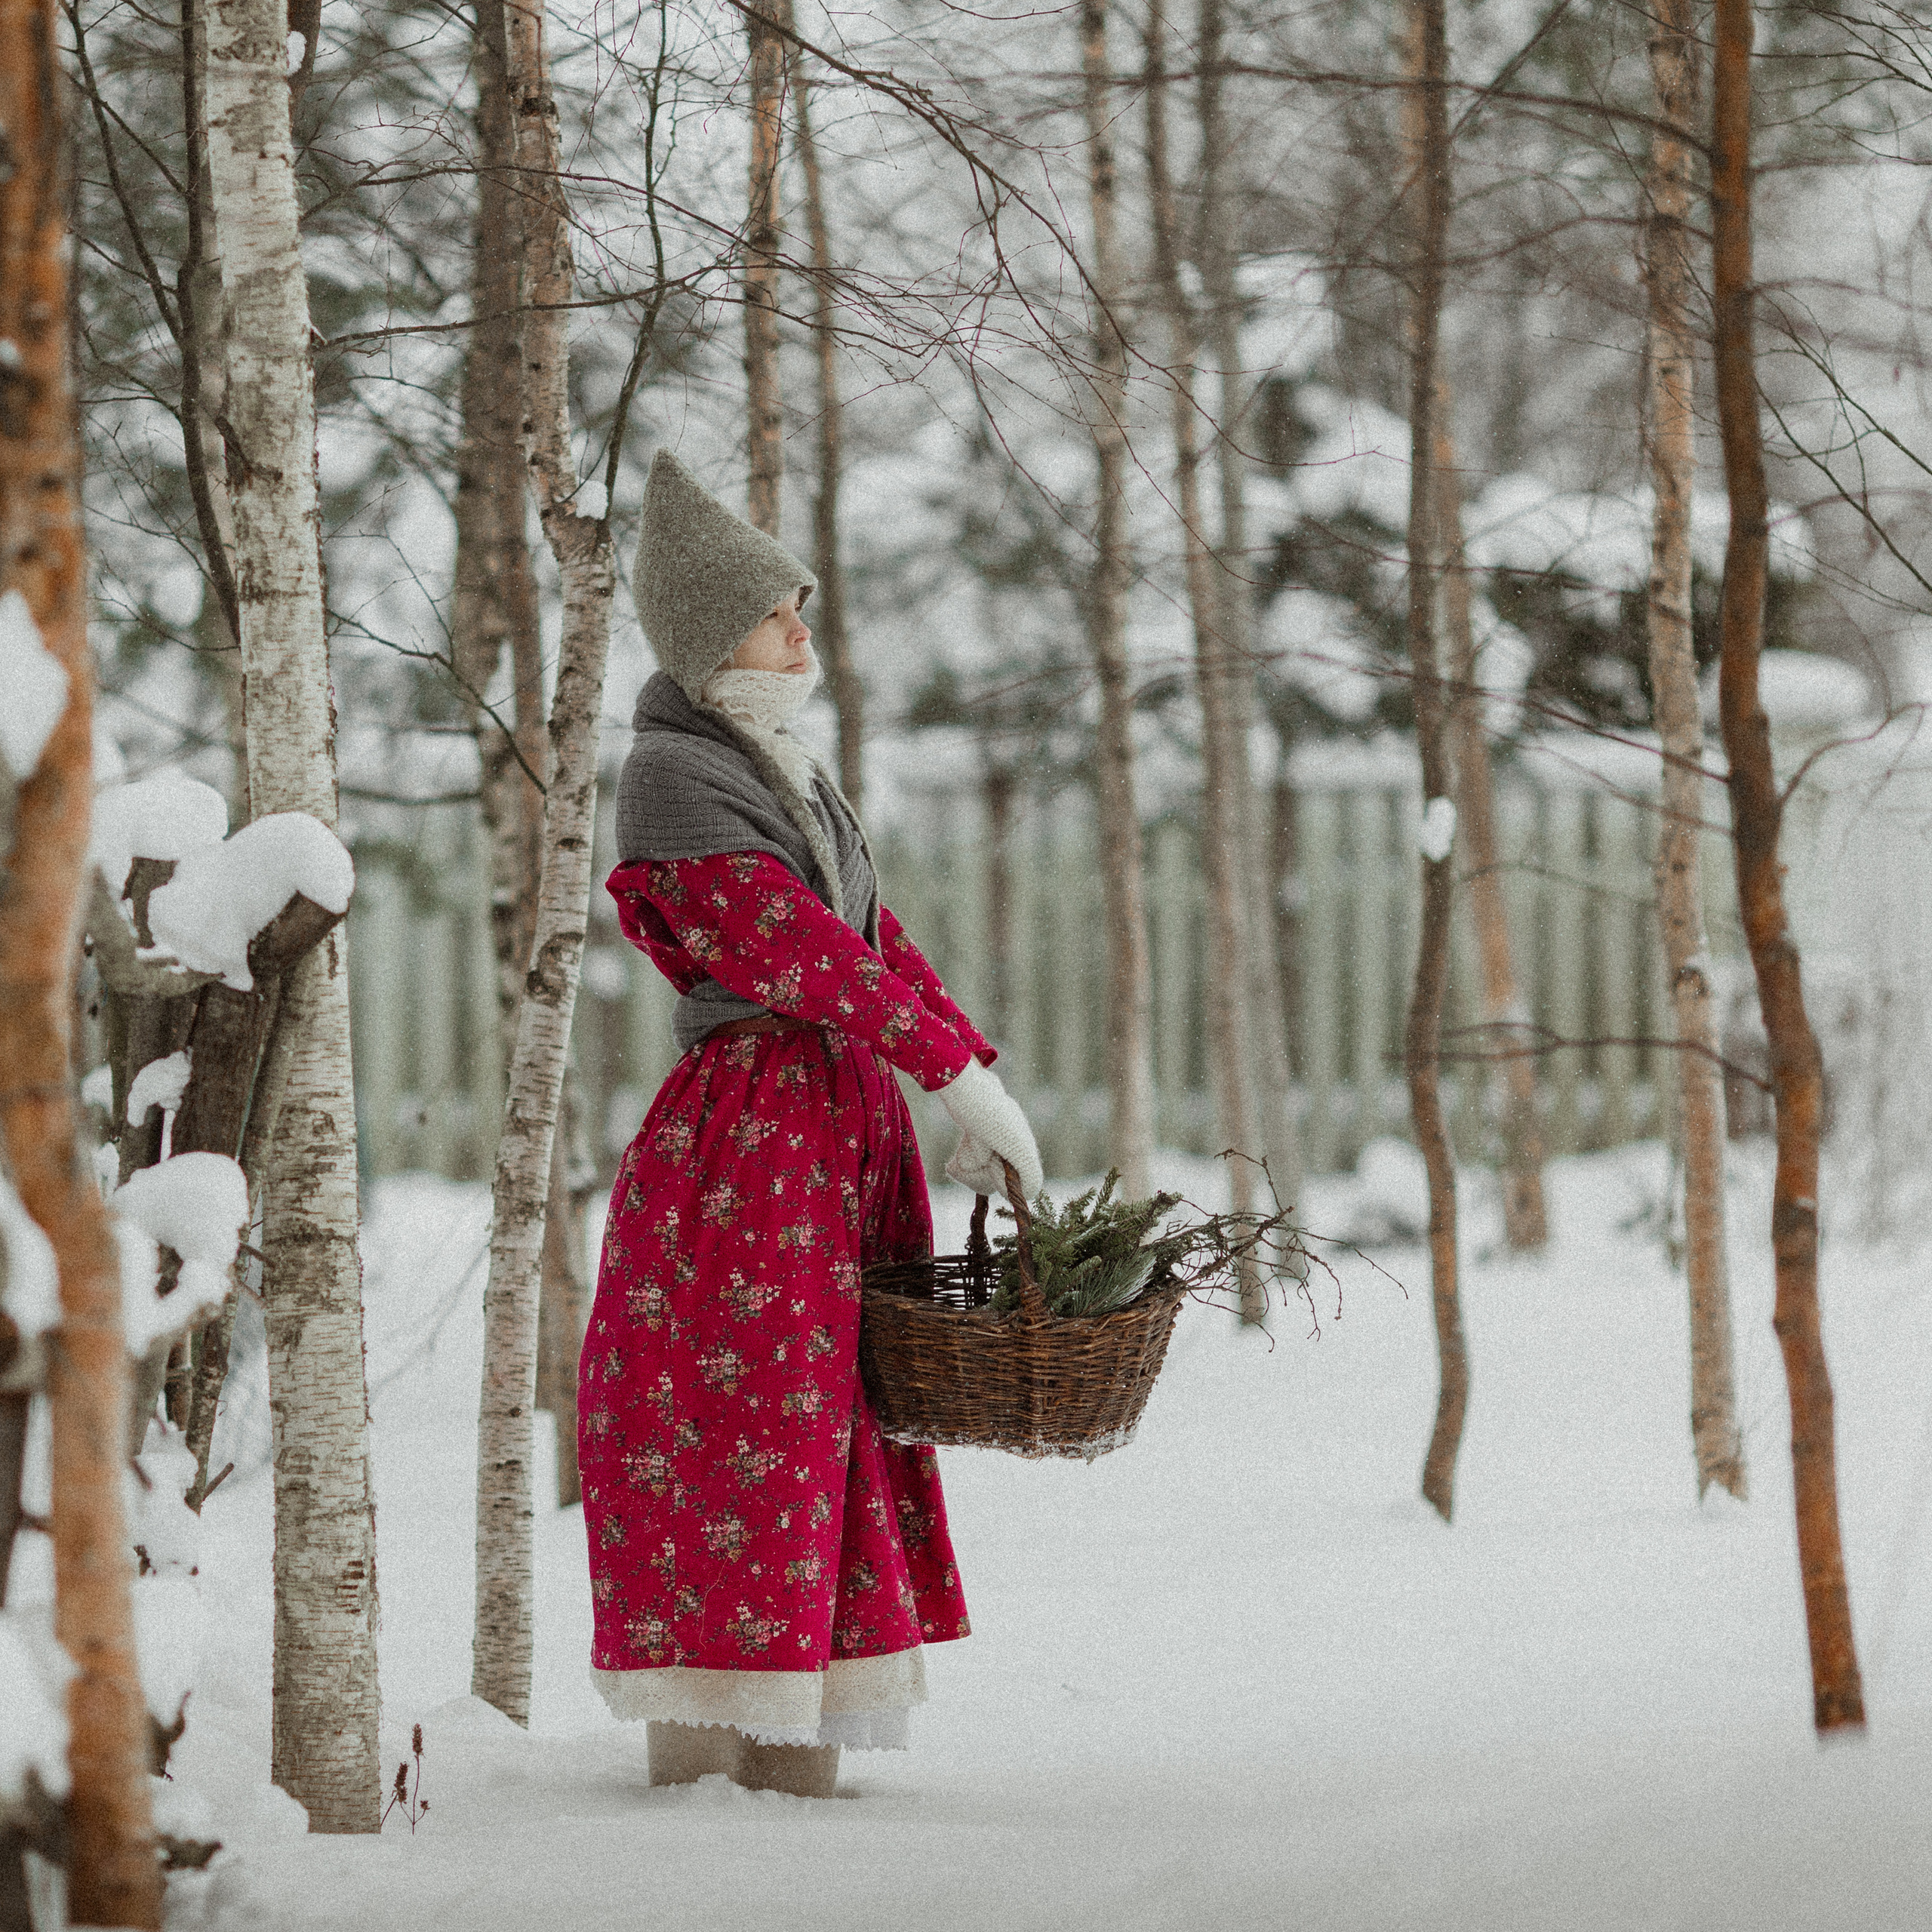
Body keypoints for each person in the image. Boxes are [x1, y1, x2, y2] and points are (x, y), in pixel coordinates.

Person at [580, 448, 1044, 1800]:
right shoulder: (677, 780)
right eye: (783, 612)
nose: (806, 632)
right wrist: (948, 1073)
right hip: (750, 1150)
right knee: (745, 1421)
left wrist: (972, 1077)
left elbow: (877, 941)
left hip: (832, 1137)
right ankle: (711, 1776)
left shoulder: (786, 770)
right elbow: (797, 956)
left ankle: (795, 1758)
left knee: (836, 1418)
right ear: (723, 636)